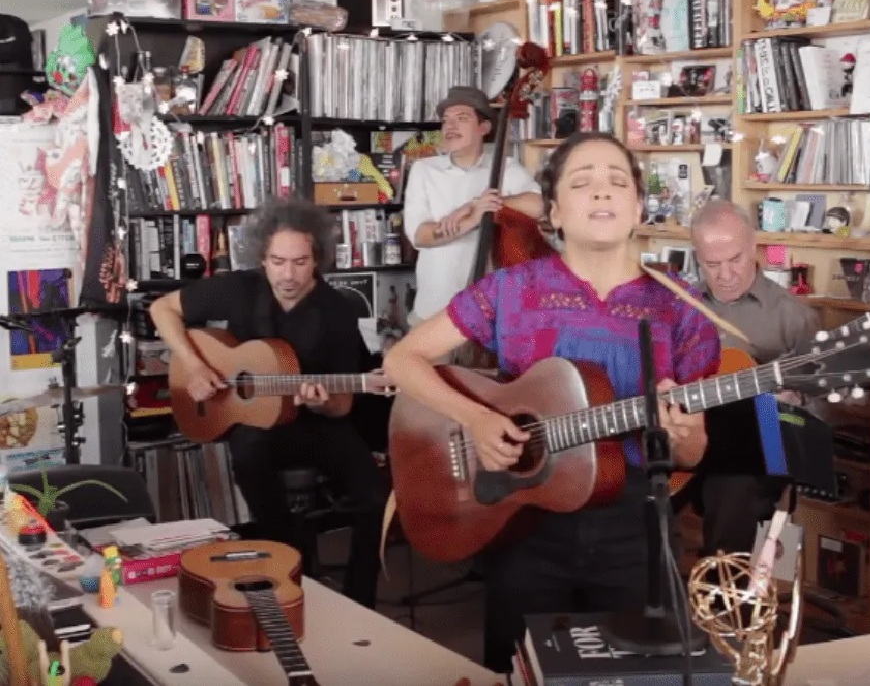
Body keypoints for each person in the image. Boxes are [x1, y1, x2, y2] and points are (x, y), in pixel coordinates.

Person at [382, 131, 722, 674]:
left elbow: (692, 454)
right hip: (525, 519)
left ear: (638, 207)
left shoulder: (681, 306)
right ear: (555, 212)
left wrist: (681, 434)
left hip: (635, 525)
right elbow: (403, 360)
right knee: (519, 669)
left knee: (646, 675)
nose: (602, 192)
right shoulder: (512, 288)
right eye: (582, 183)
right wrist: (477, 418)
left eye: (617, 182)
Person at [148, 200, 389, 609]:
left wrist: (320, 404)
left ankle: (360, 602)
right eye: (278, 262)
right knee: (250, 456)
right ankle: (291, 570)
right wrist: (194, 365)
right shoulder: (240, 288)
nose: (288, 274)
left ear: (317, 260)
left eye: (300, 262)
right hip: (254, 422)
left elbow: (343, 407)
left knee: (375, 497)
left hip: (317, 427)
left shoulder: (337, 311)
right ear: (262, 258)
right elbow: (162, 308)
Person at [685, 200, 822, 556]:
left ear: (753, 247)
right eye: (712, 264)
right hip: (686, 439)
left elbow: (817, 415)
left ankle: (722, 585)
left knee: (734, 484)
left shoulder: (791, 316)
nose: (725, 274)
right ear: (697, 258)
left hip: (760, 450)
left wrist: (791, 406)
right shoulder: (681, 308)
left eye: (735, 259)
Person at [402, 85, 545, 326]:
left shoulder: (506, 167)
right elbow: (420, 236)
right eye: (446, 120)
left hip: (491, 313)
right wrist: (471, 220)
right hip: (434, 313)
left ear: (484, 128)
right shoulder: (424, 170)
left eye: (462, 118)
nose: (450, 126)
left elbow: (539, 205)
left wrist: (481, 204)